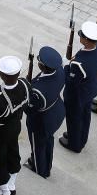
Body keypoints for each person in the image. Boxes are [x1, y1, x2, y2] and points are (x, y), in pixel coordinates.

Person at [0, 55, 29, 195]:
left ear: (2, 75)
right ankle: (11, 184)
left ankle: (4, 190)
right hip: (15, 126)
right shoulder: (25, 85)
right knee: (13, 152)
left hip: (0, 133)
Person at [60, 22, 97, 153]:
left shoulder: (79, 64)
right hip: (90, 87)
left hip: (78, 95)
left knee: (74, 118)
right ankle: (81, 138)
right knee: (85, 116)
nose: (79, 36)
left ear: (86, 40)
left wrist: (66, 66)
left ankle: (74, 144)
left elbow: (70, 81)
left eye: (81, 35)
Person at [24, 46, 64, 179]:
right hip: (56, 112)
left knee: (38, 147)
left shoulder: (39, 91)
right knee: (48, 141)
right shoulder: (59, 71)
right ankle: (47, 165)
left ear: (43, 67)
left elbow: (29, 109)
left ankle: (40, 170)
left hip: (41, 122)